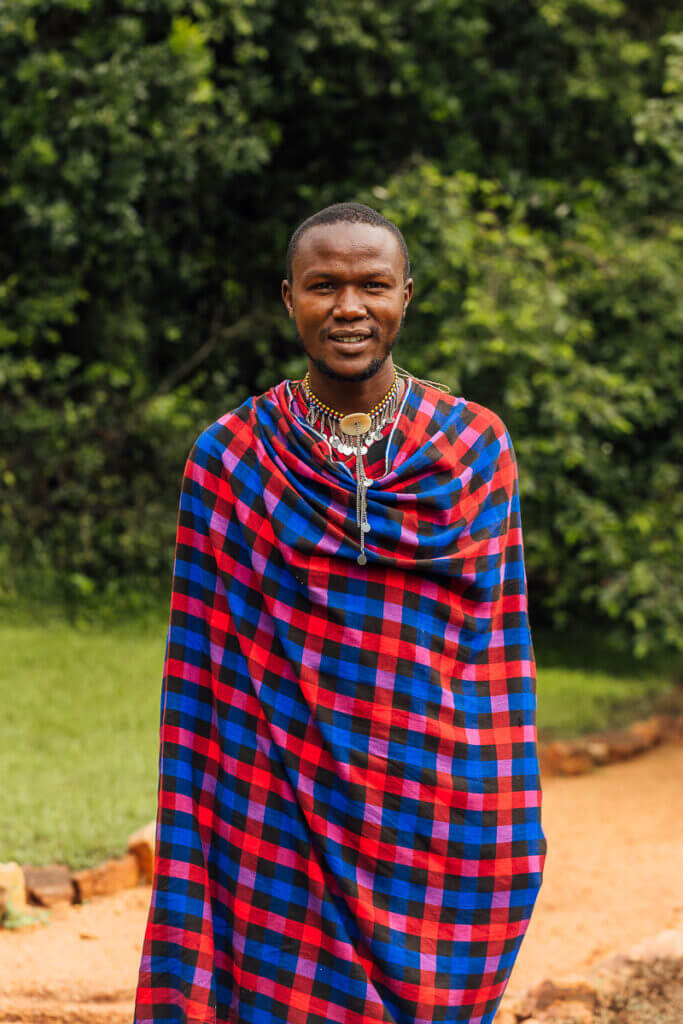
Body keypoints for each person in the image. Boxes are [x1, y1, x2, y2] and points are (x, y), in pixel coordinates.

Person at [133, 202, 547, 1024]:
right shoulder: (233, 456)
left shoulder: (471, 447)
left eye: (371, 285)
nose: (348, 307)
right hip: (278, 800)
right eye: (324, 285)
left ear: (405, 297)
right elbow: (200, 666)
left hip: (430, 801)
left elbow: (496, 650)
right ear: (288, 297)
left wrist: (497, 814)